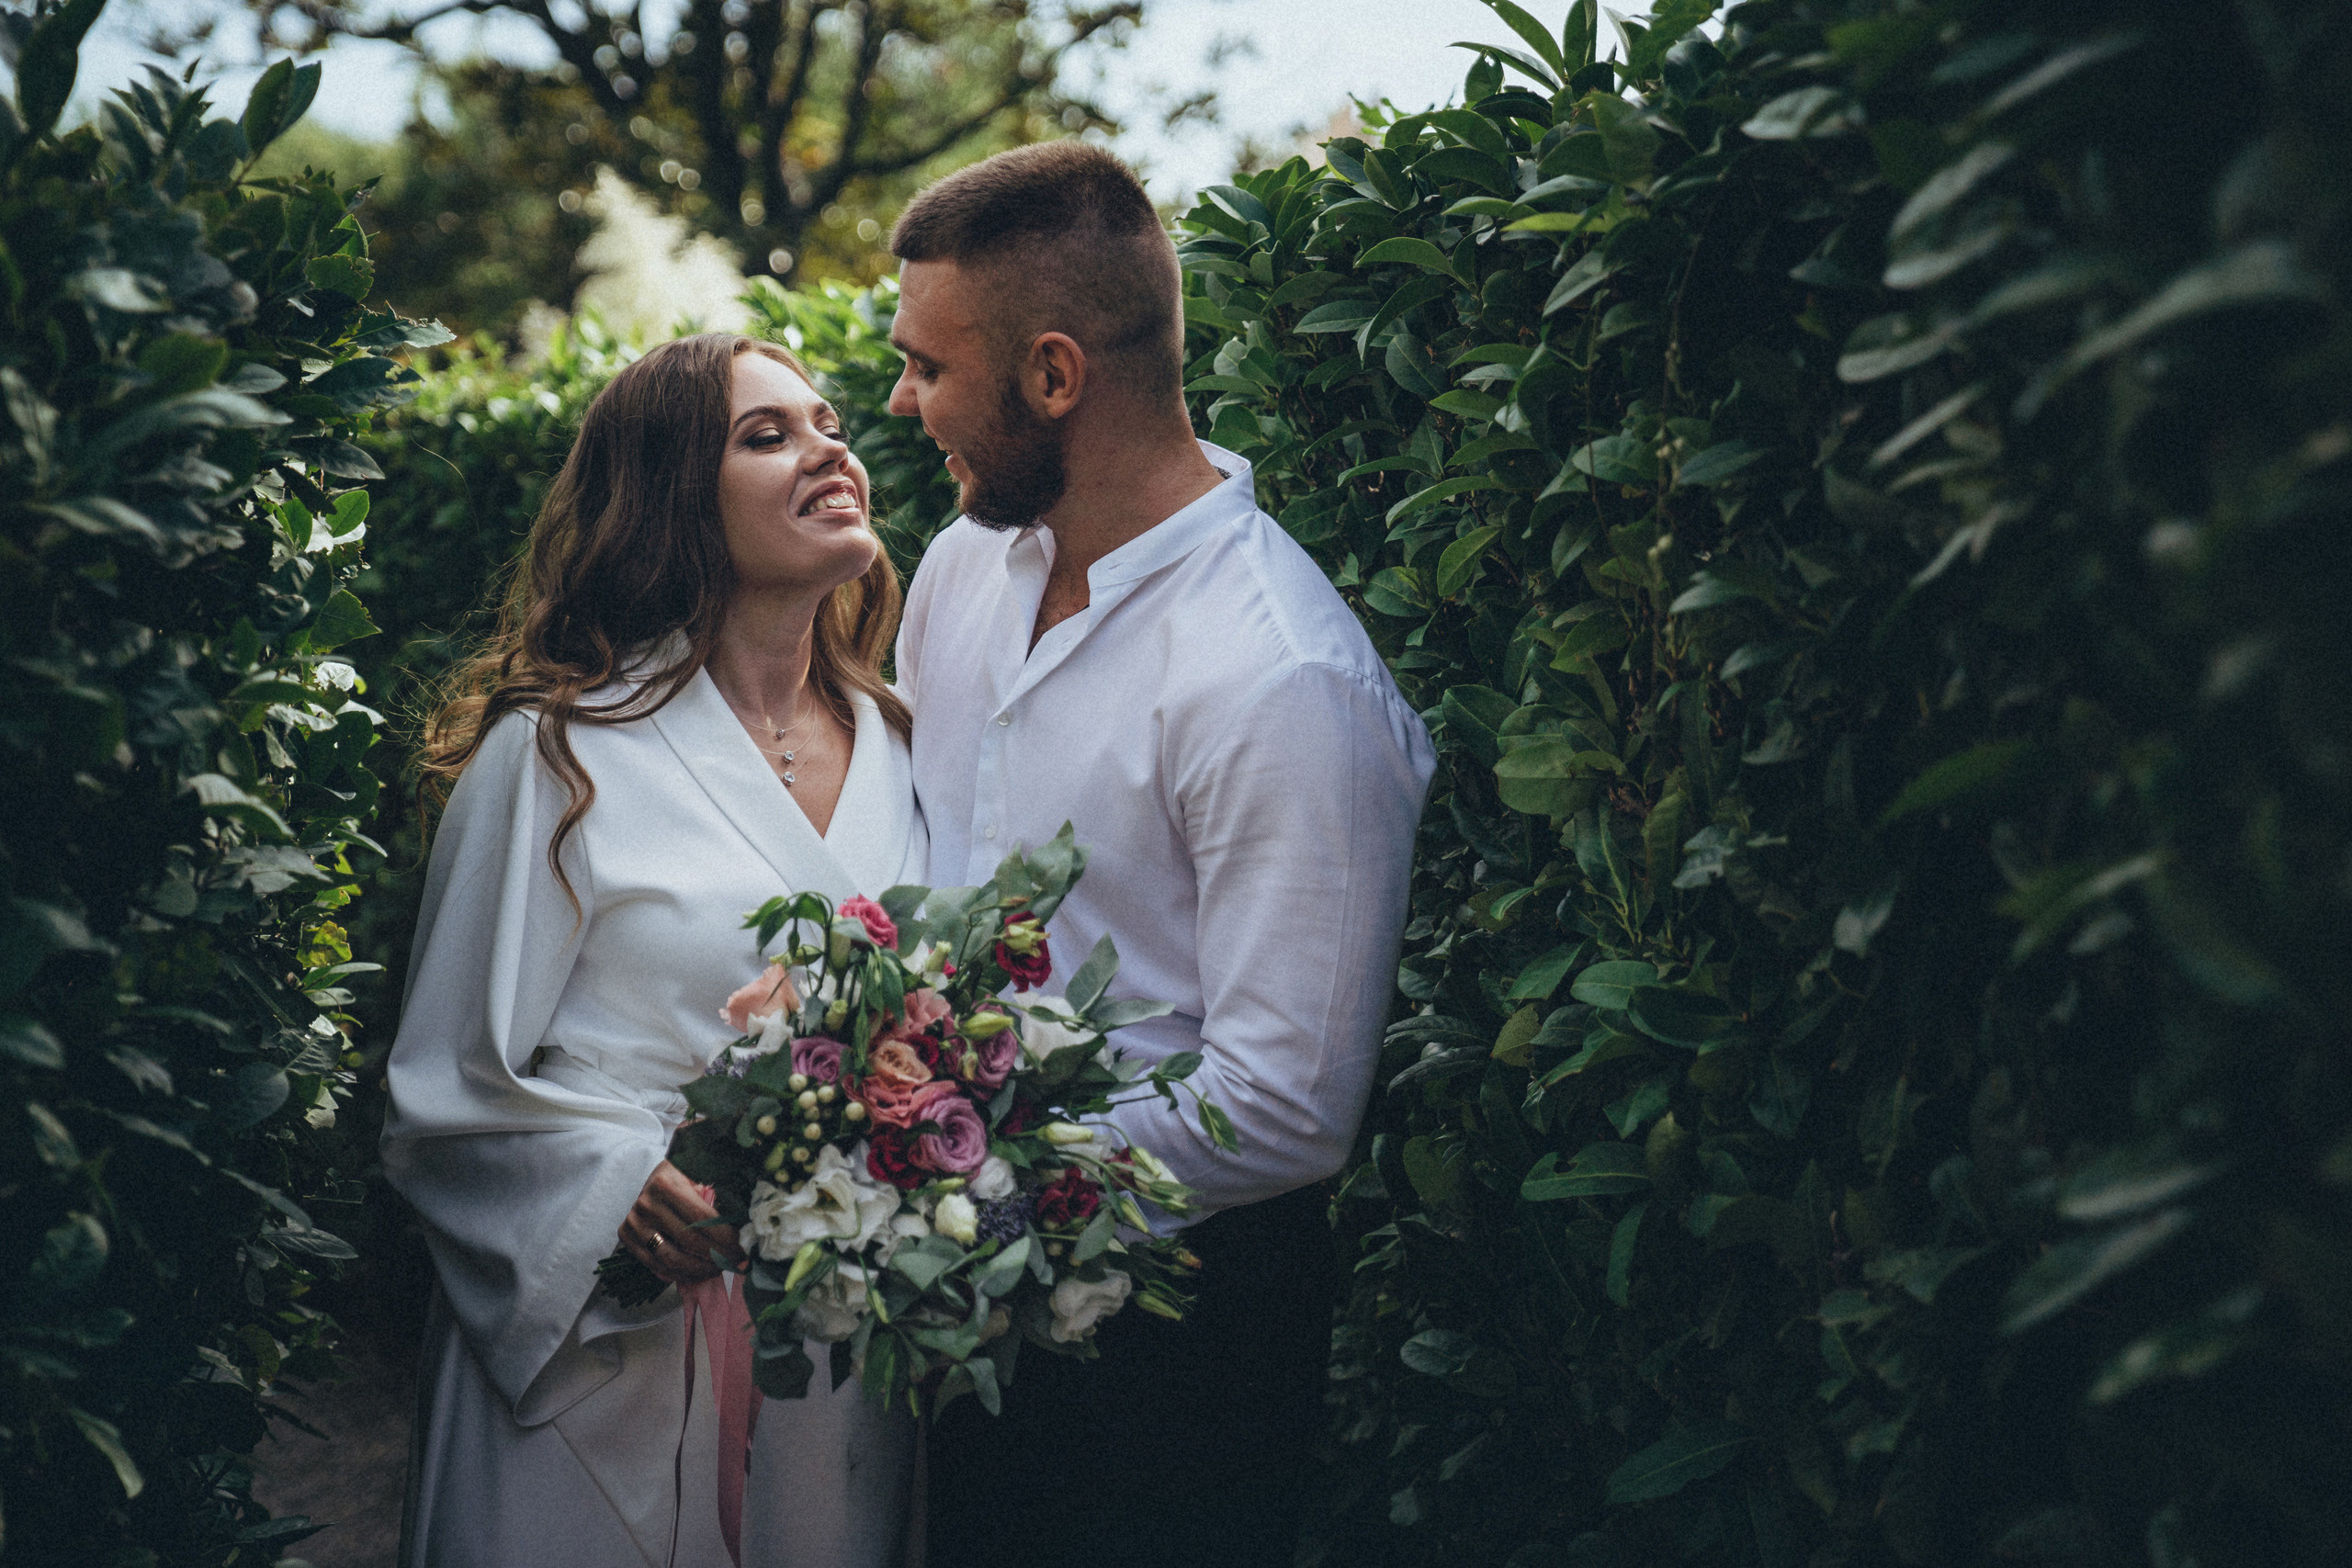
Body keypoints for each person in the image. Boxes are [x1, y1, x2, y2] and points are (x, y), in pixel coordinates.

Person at [888, 143, 1436, 1568]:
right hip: (946, 1294)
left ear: (1054, 375)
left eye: (929, 368)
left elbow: (1285, 1106)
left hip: (1177, 1339)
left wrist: (951, 1161)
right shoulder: (960, 571)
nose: (901, 402)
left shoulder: (1281, 677)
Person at [382, 334, 922, 1568]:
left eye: (827, 420)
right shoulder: (560, 754)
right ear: (672, 493)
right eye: (766, 433)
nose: (828, 447)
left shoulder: (915, 745)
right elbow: (441, 1085)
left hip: (838, 1341)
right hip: (603, 1339)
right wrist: (606, 1182)